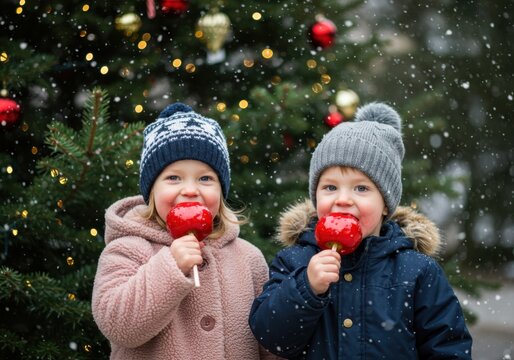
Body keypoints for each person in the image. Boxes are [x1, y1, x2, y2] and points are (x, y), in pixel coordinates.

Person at [249, 102, 473, 359]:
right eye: (330, 187)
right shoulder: (294, 261)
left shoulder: (416, 271)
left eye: (361, 188)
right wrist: (306, 288)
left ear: (386, 205)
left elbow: (448, 346)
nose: (343, 199)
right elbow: (272, 338)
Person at [92, 103, 280, 359]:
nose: (190, 189)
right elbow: (118, 326)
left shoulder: (249, 259)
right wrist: (170, 266)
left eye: (205, 178)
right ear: (152, 191)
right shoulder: (128, 248)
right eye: (173, 178)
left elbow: (270, 342)